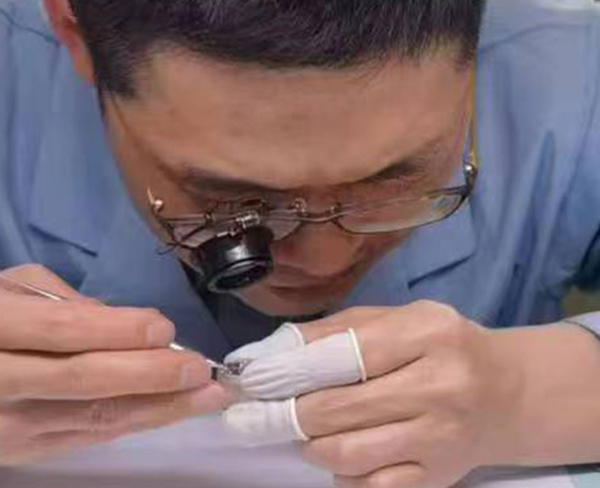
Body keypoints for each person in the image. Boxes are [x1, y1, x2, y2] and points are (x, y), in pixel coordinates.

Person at [0, 0, 599, 486]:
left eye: (393, 180)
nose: (322, 261)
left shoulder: (575, 82)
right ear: (74, 31)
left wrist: (523, 391)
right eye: (231, 197)